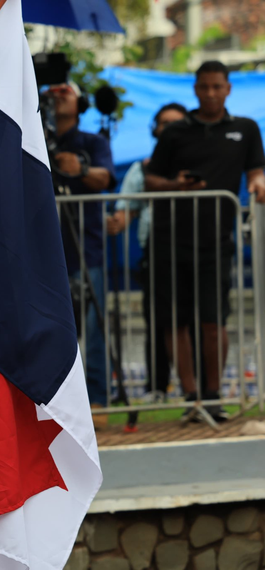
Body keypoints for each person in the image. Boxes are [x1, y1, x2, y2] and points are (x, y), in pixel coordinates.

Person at [144, 61, 265, 421]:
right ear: (195, 90)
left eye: (217, 87)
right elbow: (150, 180)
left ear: (228, 89)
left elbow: (256, 173)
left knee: (213, 320)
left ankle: (212, 398)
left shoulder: (246, 129)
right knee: (175, 321)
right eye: (204, 87)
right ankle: (191, 398)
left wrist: (258, 187)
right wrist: (176, 185)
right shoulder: (175, 132)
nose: (211, 93)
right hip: (169, 238)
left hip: (216, 239)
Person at [108, 103, 187, 402]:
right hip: (155, 253)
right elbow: (125, 213)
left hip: (195, 249)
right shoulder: (141, 168)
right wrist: (113, 222)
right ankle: (157, 385)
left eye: (176, 123)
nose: (168, 129)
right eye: (163, 123)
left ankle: (201, 390)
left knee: (197, 319)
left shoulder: (199, 163)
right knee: (158, 319)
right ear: (154, 129)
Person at [49, 82, 117, 420]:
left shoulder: (93, 142)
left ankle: (99, 400)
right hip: (43, 251)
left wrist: (82, 170)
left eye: (66, 92)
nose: (58, 96)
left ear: (82, 104)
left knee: (92, 329)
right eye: (52, 91)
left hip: (85, 248)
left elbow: (106, 178)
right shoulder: (32, 137)